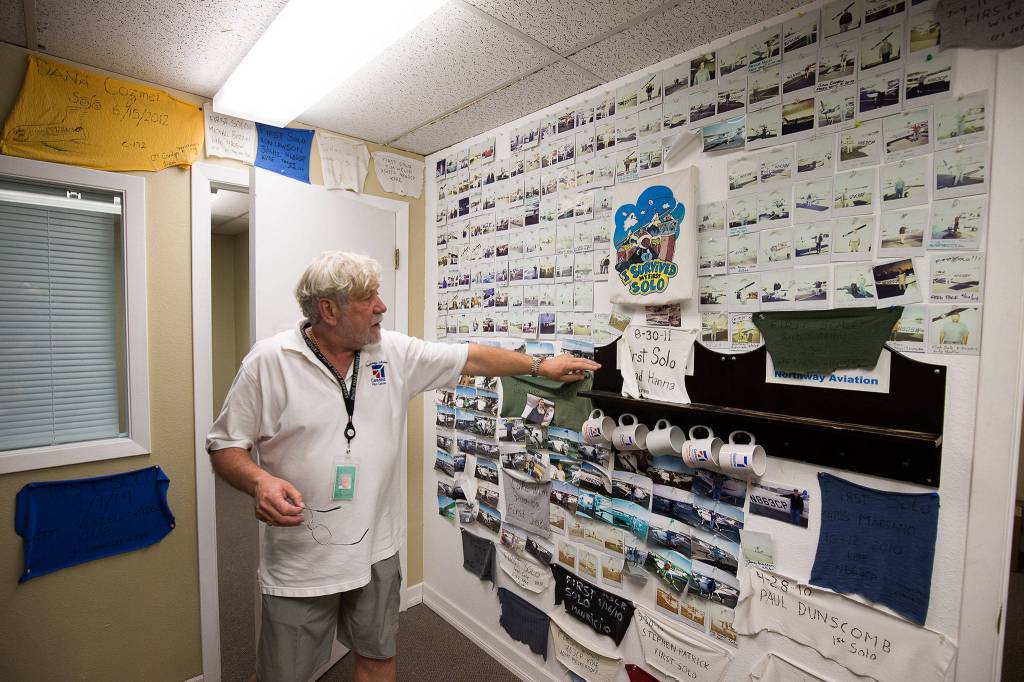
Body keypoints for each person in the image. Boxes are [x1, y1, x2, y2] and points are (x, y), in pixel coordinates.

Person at [207, 251, 599, 682]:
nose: (382, 306)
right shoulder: (269, 362)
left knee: (378, 659)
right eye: (368, 297)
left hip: (377, 549)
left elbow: (470, 358)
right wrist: (259, 481)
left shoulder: (391, 351)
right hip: (302, 561)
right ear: (328, 310)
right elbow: (225, 447)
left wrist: (542, 365)